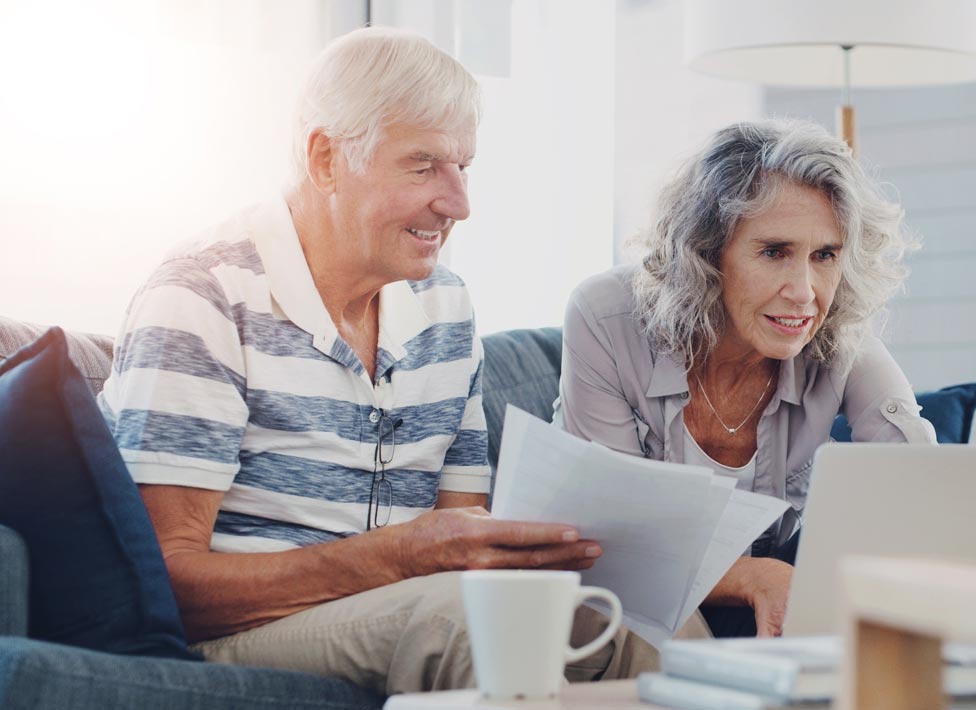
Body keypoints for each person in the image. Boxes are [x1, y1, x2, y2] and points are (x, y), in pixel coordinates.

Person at [97, 27, 661, 696]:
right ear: (326, 158)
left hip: (406, 607)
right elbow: (167, 583)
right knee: (469, 625)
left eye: (463, 166)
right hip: (234, 632)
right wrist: (400, 556)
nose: (459, 203)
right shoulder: (204, 297)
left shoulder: (444, 306)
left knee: (643, 627)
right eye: (423, 166)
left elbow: (464, 540)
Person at [556, 119, 936, 639]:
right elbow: (612, 541)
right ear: (708, 254)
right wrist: (753, 577)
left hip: (774, 604)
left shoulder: (837, 330)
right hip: (621, 596)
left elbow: (922, 481)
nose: (804, 293)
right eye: (774, 252)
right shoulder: (605, 316)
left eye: (824, 255)